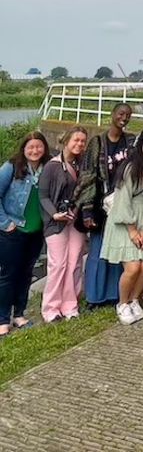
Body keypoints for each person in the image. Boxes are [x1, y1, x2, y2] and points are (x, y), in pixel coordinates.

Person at [101, 127, 143, 325]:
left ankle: (134, 300)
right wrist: (132, 231)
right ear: (141, 143)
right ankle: (122, 303)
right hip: (125, 221)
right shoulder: (130, 167)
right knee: (132, 267)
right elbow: (122, 200)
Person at [77, 103, 134, 308]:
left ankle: (114, 294)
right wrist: (87, 210)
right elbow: (88, 176)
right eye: (121, 113)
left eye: (128, 115)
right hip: (101, 206)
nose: (124, 118)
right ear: (112, 115)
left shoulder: (131, 141)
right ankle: (95, 296)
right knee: (98, 252)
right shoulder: (98, 142)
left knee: (118, 252)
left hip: (124, 205)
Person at [0, 132, 50, 336]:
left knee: (27, 272)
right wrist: (5, 222)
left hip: (36, 231)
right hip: (14, 229)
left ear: (44, 148)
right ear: (24, 148)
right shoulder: (11, 167)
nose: (35, 150)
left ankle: (19, 314)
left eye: (39, 146)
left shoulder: (47, 168)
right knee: (7, 275)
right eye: (31, 147)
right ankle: (2, 319)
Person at [38, 126, 88, 323]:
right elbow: (42, 196)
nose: (79, 144)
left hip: (74, 220)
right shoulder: (52, 166)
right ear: (66, 140)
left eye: (83, 141)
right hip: (56, 222)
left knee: (74, 262)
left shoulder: (80, 165)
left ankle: (70, 304)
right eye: (76, 140)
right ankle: (50, 308)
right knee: (58, 264)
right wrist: (54, 214)